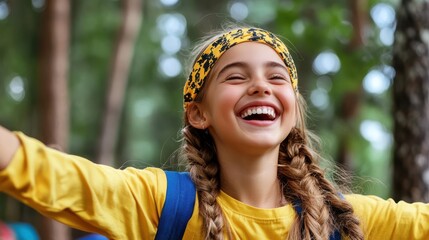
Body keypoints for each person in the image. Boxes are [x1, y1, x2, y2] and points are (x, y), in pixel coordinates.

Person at [0, 26, 428, 240]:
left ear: (294, 109)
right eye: (236, 77)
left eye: (277, 78)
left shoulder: (347, 220)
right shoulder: (164, 204)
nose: (260, 86)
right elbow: (55, 177)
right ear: (198, 114)